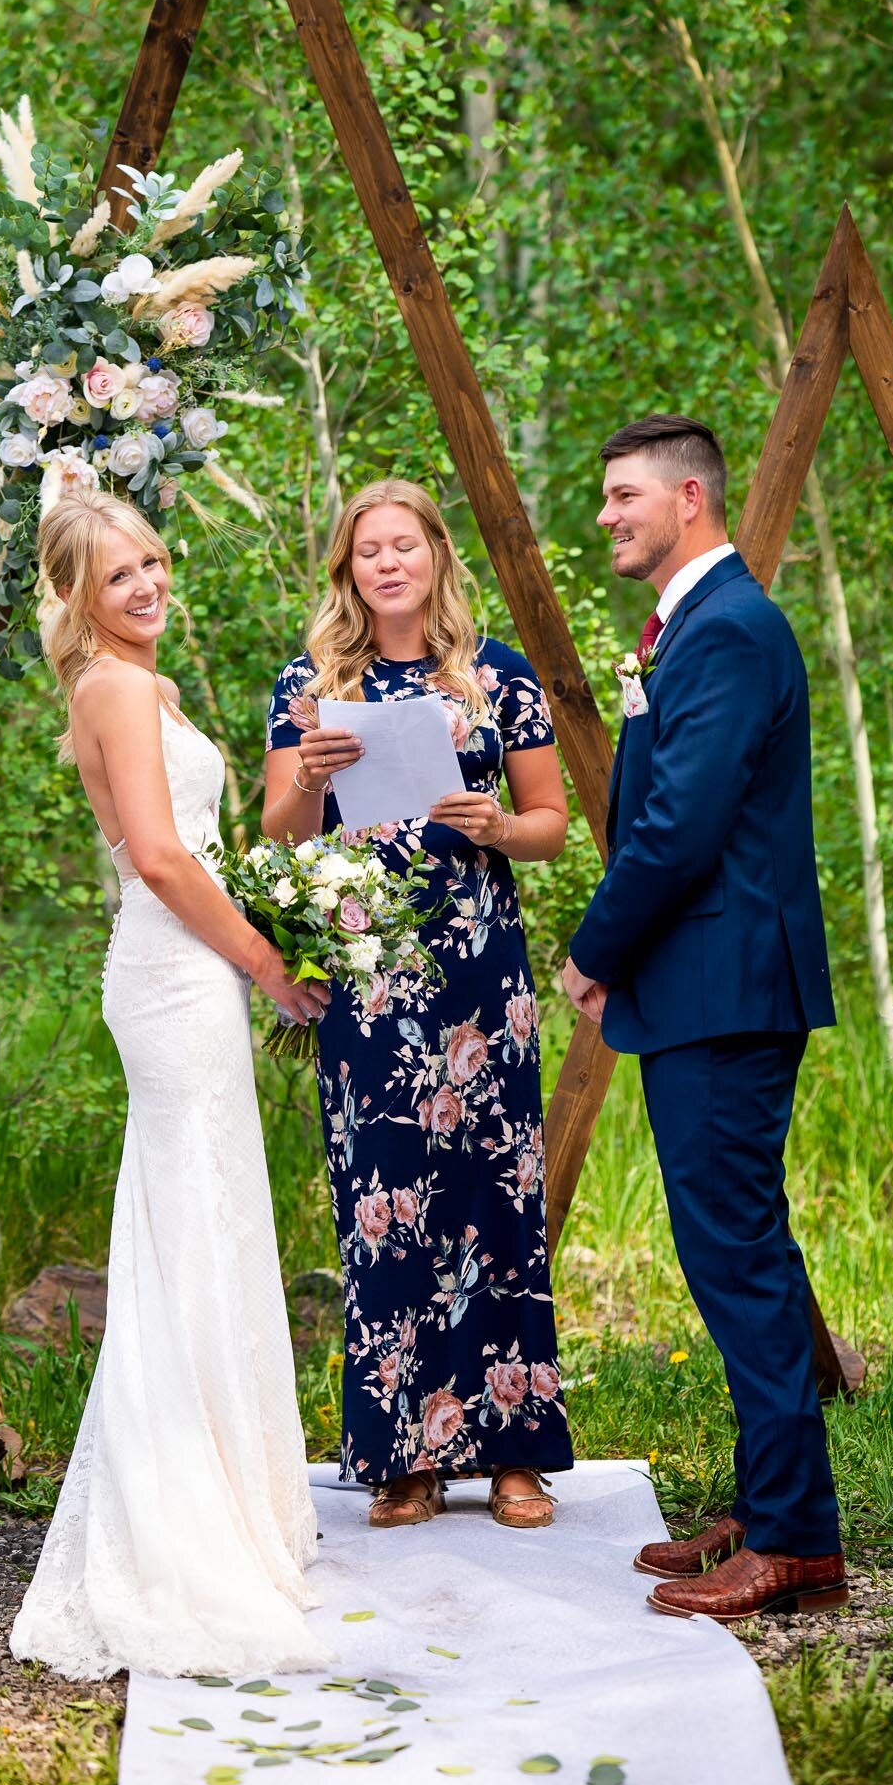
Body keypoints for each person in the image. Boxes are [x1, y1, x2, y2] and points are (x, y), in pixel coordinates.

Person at [9, 492, 331, 1680]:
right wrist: (263, 959)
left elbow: (208, 839)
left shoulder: (138, 685)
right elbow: (156, 856)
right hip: (177, 973)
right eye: (117, 575)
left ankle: (230, 1499)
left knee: (205, 1223)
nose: (147, 583)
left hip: (179, 969)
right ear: (79, 600)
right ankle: (184, 1523)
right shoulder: (117, 687)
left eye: (152, 559)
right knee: (190, 1230)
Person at [561, 417, 846, 1622]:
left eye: (622, 496)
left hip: (721, 987)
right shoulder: (699, 624)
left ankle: (793, 1543)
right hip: (706, 988)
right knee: (727, 1248)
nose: (606, 516)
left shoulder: (726, 630)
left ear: (689, 498)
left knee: (735, 1252)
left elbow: (674, 828)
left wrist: (591, 950)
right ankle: (760, 1498)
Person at [264, 479, 573, 1529]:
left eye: (404, 545)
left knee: (495, 1196)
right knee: (385, 1205)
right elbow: (280, 835)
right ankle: (403, 1456)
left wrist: (492, 823)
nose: (387, 563)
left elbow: (551, 823)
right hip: (368, 971)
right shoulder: (308, 685)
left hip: (480, 969)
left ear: (437, 555)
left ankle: (514, 1454)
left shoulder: (499, 677)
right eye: (367, 551)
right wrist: (307, 771)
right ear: (347, 570)